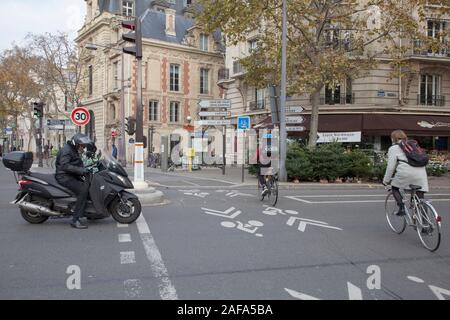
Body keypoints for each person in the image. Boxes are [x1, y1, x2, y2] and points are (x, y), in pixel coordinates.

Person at [383, 130, 429, 216]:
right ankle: (425, 224)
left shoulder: (393, 148)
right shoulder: (413, 145)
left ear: (393, 138)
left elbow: (390, 167)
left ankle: (401, 208)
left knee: (395, 188)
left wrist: (386, 181)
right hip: (421, 172)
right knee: (420, 198)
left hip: (406, 172)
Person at [55, 133, 92, 229]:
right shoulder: (67, 150)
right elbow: (65, 166)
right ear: (76, 143)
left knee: (88, 186)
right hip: (64, 176)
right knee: (83, 191)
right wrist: (82, 170)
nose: (83, 148)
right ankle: (75, 220)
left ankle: (90, 212)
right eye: (82, 145)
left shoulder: (73, 149)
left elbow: (76, 163)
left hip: (71, 175)